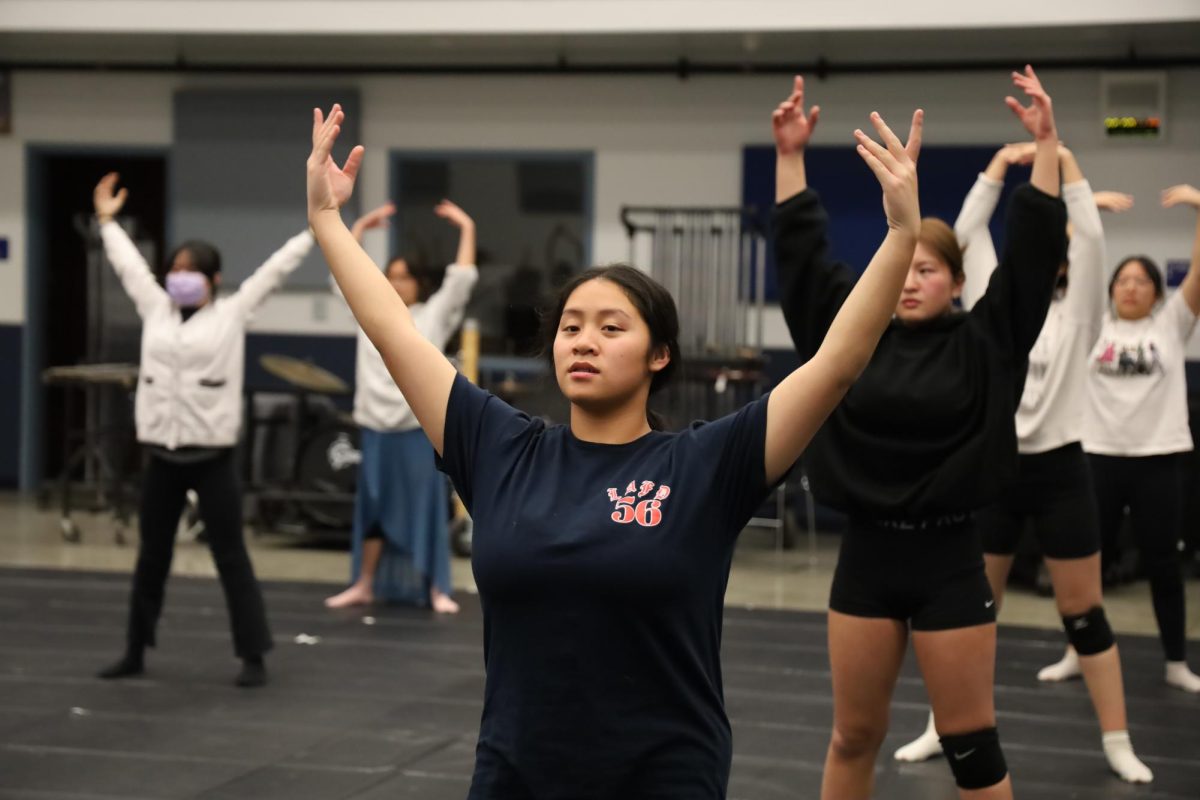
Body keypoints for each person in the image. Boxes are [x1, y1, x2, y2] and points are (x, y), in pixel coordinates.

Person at [306, 99, 921, 798]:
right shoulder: (500, 448)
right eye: (570, 327)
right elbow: (396, 334)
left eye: (610, 326)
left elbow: (836, 363)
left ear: (660, 354)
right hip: (515, 775)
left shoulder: (705, 465)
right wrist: (326, 220)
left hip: (663, 778)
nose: (584, 340)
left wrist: (900, 234)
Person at [773, 68, 1064, 799]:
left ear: (956, 282)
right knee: (852, 736)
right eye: (902, 265)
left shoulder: (987, 341)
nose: (910, 280)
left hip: (950, 557)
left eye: (928, 269)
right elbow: (803, 264)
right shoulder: (849, 337)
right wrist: (788, 156)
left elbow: (1030, 257)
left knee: (970, 745)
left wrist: (1048, 146)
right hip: (867, 555)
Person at [892, 144, 1152, 783]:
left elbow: (1089, 235)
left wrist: (1062, 159)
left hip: (1063, 472)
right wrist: (997, 169)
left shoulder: (1082, 313)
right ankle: (937, 725)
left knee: (1084, 613)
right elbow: (964, 233)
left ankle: (1116, 739)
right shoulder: (991, 306)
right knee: (967, 612)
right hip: (996, 473)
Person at [93, 172, 315, 687]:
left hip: (212, 458)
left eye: (190, 272)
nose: (179, 278)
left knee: (230, 555)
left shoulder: (233, 313)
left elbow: (276, 270)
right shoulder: (156, 310)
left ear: (213, 280)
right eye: (174, 269)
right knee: (152, 556)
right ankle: (134, 648)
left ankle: (253, 654)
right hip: (162, 456)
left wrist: (316, 227)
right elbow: (127, 266)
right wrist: (106, 220)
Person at [1070, 183, 1200, 695]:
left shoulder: (1171, 324)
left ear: (1155, 292)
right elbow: (1065, 255)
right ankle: (1073, 652)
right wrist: (1085, 209)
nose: (1129, 287)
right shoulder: (1091, 327)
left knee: (1164, 563)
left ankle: (1174, 661)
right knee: (1085, 565)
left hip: (1157, 460)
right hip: (1097, 458)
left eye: (1141, 280)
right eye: (1121, 280)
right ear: (1110, 290)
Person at [324, 199, 479, 613]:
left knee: (424, 506)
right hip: (376, 426)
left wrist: (466, 227)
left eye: (405, 278)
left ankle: (436, 588)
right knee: (373, 504)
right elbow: (342, 277)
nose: (397, 284)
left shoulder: (432, 316)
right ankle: (365, 582)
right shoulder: (370, 315)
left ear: (418, 283)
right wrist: (356, 228)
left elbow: (461, 280)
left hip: (417, 428)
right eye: (390, 277)